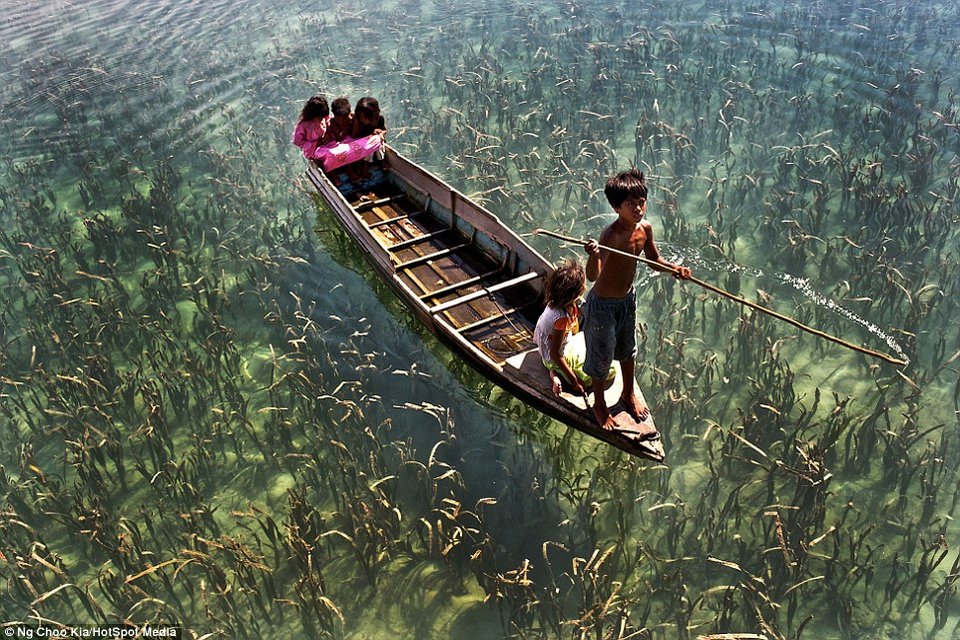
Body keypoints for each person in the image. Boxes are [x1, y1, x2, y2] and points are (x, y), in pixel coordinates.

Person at [583, 168, 691, 432]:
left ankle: (628, 394)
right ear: (616, 207)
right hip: (603, 306)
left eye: (642, 202)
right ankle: (599, 404)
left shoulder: (645, 230)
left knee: (628, 350)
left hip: (626, 301)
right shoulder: (610, 236)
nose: (639, 208)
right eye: (631, 204)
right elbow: (592, 277)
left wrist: (674, 269)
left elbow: (654, 261)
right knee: (601, 356)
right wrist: (594, 255)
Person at [534, 259, 594, 397]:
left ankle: (554, 372)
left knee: (587, 343)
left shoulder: (560, 302)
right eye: (582, 284)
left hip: (551, 347)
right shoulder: (561, 318)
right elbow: (555, 354)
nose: (585, 286)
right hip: (552, 356)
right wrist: (574, 382)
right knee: (588, 379)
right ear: (573, 294)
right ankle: (555, 373)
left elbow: (574, 330)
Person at [350, 96, 387, 180]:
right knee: (371, 144)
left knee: (376, 140)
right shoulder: (358, 122)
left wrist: (381, 133)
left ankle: (382, 161)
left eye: (364, 117)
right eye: (360, 117)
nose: (362, 119)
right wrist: (356, 123)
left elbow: (384, 130)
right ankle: (364, 169)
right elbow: (354, 136)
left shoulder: (379, 119)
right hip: (361, 146)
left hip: (374, 145)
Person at [290, 95, 330, 160]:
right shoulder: (303, 125)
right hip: (313, 151)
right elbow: (297, 141)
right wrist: (314, 144)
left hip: (326, 144)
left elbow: (328, 120)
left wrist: (328, 131)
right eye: (320, 117)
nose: (322, 118)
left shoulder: (324, 117)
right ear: (314, 115)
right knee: (331, 155)